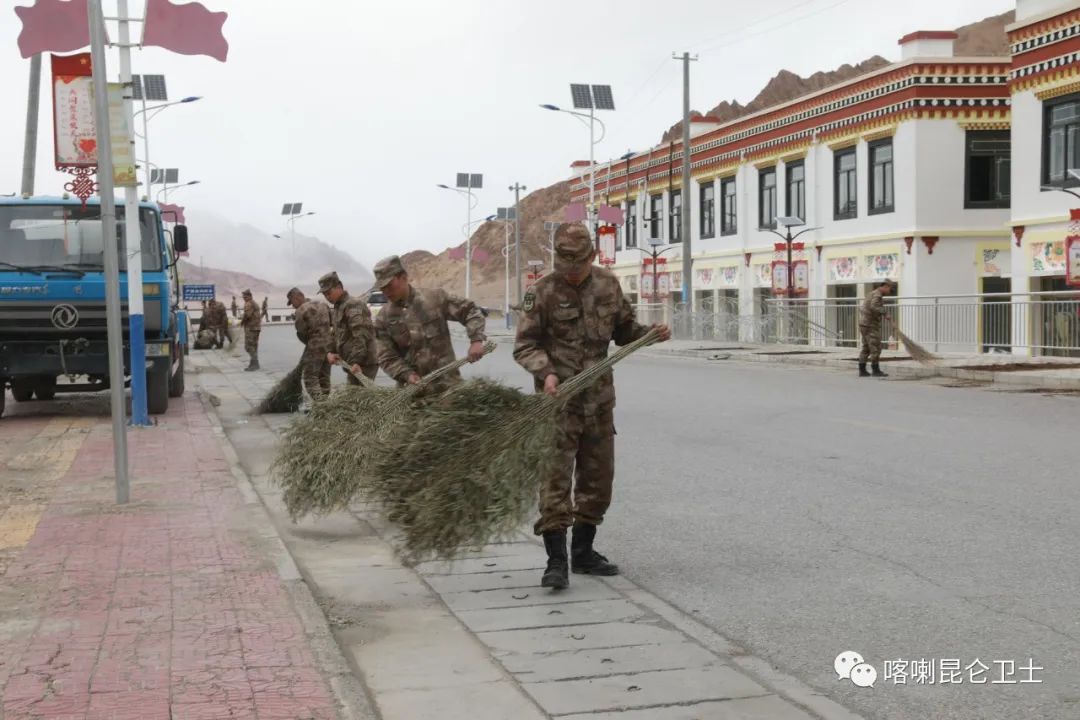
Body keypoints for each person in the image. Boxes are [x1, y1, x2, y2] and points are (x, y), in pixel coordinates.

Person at [513, 223, 671, 590]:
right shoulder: (541, 292)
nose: (572, 269)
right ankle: (557, 561)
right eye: (566, 262)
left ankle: (583, 551)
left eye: (579, 262)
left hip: (599, 402)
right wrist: (547, 373)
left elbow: (624, 330)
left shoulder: (607, 285)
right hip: (557, 404)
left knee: (598, 481)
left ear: (591, 257)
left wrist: (649, 334)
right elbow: (525, 345)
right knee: (554, 481)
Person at [371, 255, 486, 390]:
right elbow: (386, 356)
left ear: (403, 277)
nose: (386, 292)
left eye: (389, 285)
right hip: (412, 392)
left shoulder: (434, 298)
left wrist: (476, 340)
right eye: (382, 288)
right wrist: (407, 374)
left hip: (448, 387)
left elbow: (470, 311)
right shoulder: (383, 318)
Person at [320, 272, 379, 384]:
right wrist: (330, 351)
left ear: (339, 287)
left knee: (357, 399)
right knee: (354, 398)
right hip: (352, 364)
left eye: (329, 293)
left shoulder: (353, 305)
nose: (327, 297)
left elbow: (361, 335)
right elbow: (336, 333)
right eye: (324, 294)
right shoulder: (339, 307)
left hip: (363, 364)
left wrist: (356, 361)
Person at [287, 287, 333, 402]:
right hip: (329, 346)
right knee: (324, 376)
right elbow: (332, 322)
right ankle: (325, 401)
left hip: (315, 347)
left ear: (297, 297)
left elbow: (301, 332)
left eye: (292, 302)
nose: (292, 305)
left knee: (310, 377)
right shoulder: (323, 304)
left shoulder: (300, 310)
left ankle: (320, 405)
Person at [858, 279, 894, 378]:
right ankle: (875, 370)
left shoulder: (872, 293)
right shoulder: (877, 295)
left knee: (866, 348)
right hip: (870, 325)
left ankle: (862, 370)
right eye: (890, 289)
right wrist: (885, 313)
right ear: (886, 286)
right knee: (876, 347)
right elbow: (874, 306)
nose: (890, 292)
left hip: (864, 323)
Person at [240, 289, 262, 371]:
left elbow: (247, 315)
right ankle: (253, 363)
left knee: (248, 346)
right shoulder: (254, 303)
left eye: (245, 296)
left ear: (249, 296)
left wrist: (242, 322)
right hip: (256, 328)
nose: (244, 298)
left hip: (251, 328)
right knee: (254, 346)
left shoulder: (249, 304)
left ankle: (255, 363)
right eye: (243, 297)